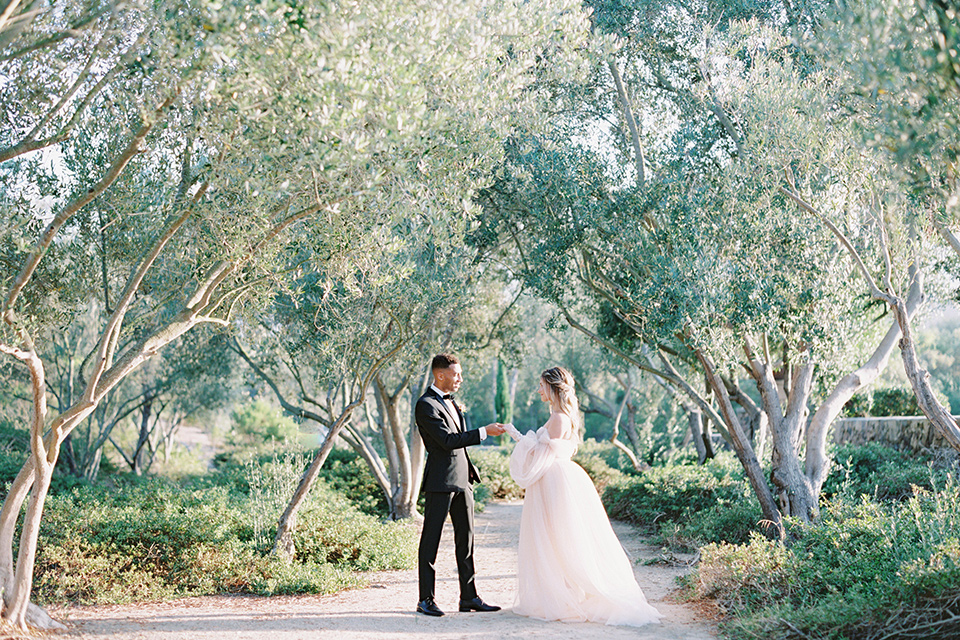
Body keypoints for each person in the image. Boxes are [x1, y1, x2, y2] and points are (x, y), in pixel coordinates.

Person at [502, 366, 662, 627]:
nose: (538, 390)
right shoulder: (559, 415)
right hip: (555, 478)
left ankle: (569, 595)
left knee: (559, 537)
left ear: (553, 387)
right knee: (557, 537)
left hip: (555, 481)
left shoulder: (558, 418)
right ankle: (566, 592)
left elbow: (543, 455)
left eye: (541, 385)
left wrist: (518, 438)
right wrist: (520, 437)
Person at [415, 353, 506, 617]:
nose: (460, 379)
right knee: (430, 542)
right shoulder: (425, 405)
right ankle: (425, 600)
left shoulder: (452, 402)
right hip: (440, 482)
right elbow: (447, 440)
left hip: (463, 480)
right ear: (440, 375)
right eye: (456, 374)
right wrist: (484, 432)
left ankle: (469, 598)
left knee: (466, 541)